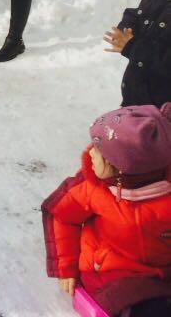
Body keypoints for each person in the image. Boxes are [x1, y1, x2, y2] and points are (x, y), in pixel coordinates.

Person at [41, 103, 171, 317]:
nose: (90, 152)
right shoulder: (92, 188)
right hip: (112, 273)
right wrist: (66, 267)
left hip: (162, 268)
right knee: (150, 308)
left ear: (122, 170)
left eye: (99, 151)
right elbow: (62, 215)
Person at [104, 0, 171, 107]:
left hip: (161, 109)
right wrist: (127, 29)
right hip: (136, 98)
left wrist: (133, 46)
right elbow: (138, 14)